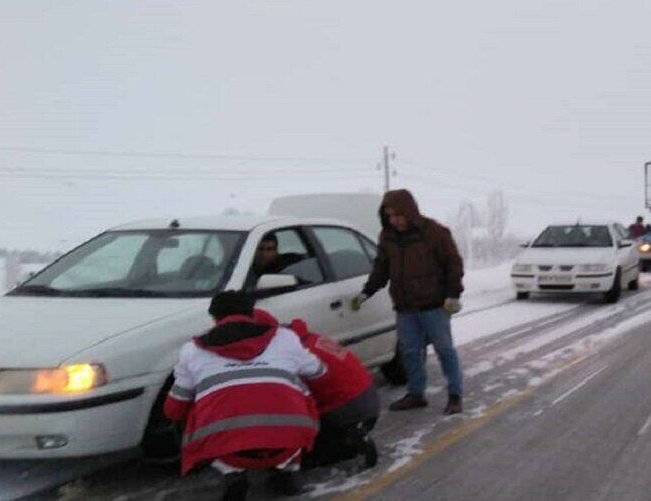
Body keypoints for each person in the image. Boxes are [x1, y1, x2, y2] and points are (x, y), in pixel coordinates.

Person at [164, 291, 323, 501]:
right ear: (252, 313)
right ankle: (289, 470)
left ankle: (231, 473)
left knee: (193, 401)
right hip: (287, 442)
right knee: (296, 385)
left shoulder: (192, 350)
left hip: (228, 451)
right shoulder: (285, 338)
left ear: (214, 318)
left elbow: (172, 410)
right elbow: (319, 372)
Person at [350, 189, 466, 415]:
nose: (395, 220)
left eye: (398, 215)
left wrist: (453, 294)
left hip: (434, 306)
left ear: (410, 212)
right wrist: (367, 292)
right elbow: (381, 268)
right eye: (390, 216)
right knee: (410, 352)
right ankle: (416, 394)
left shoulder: (435, 233)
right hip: (404, 308)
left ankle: (455, 394)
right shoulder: (387, 236)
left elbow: (454, 264)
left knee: (444, 350)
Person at [284, 317, 380, 469]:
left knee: (310, 457)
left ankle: (350, 442)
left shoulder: (298, 354)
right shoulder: (315, 339)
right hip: (368, 397)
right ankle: (353, 434)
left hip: (346, 406)